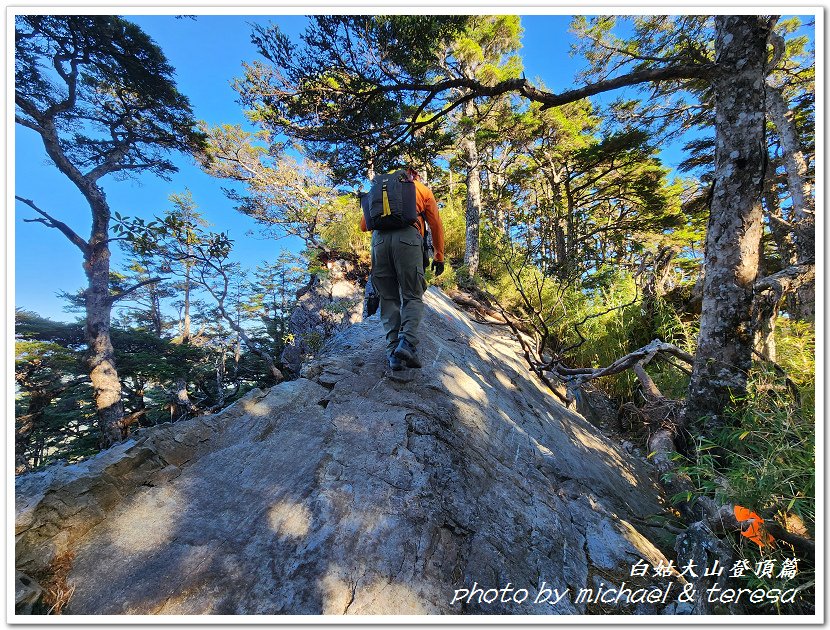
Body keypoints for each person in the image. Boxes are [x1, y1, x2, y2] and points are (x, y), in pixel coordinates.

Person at [360, 165, 446, 371]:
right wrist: (439, 255)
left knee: (388, 298)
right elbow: (435, 224)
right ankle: (406, 343)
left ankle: (393, 354)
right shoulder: (421, 189)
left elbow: (364, 226)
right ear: (412, 175)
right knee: (412, 295)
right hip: (408, 238)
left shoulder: (377, 192)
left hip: (379, 243)